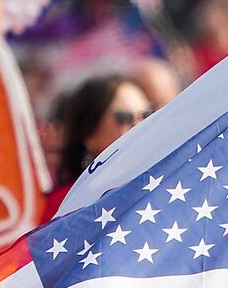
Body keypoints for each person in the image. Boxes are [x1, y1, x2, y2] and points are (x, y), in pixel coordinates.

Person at [46, 73, 153, 204]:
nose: (138, 125)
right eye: (124, 117)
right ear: (88, 133)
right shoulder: (62, 206)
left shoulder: (163, 186)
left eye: (146, 115)